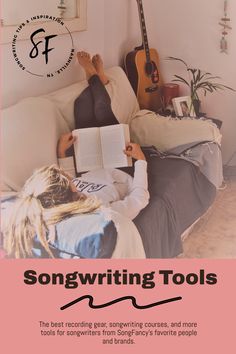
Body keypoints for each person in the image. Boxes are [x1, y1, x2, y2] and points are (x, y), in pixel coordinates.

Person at [3, 52, 149, 259]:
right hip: (120, 164)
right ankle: (95, 76)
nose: (72, 181)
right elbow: (139, 199)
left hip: (88, 164)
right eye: (70, 183)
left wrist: (62, 152)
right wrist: (141, 161)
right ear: (73, 195)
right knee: (101, 109)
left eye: (69, 180)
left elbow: (74, 177)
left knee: (82, 105)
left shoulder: (65, 194)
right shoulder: (100, 211)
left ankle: (97, 79)